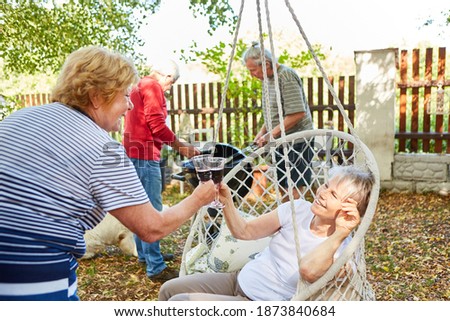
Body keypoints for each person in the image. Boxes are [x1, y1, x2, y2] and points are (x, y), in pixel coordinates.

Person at [0, 46, 215, 301]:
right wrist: (201, 196)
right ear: (96, 97)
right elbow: (151, 227)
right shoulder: (101, 146)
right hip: (32, 276)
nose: (130, 104)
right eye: (125, 95)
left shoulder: (18, 119)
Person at [159, 165, 374, 301]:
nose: (322, 193)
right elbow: (244, 231)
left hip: (258, 302)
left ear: (349, 210)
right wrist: (227, 201)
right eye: (325, 185)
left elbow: (307, 271)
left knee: (180, 305)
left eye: (333, 194)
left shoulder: (342, 251)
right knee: (168, 290)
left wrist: (341, 233)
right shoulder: (297, 208)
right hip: (238, 279)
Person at [123, 59, 200, 281]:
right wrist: (182, 146)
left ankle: (147, 256)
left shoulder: (139, 85)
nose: (169, 88)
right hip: (144, 154)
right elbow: (157, 125)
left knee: (140, 205)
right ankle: (156, 267)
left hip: (133, 152)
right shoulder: (153, 87)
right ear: (167, 77)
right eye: (172, 83)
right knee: (152, 210)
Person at [243, 41, 314, 201]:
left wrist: (270, 135)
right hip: (280, 141)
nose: (251, 74)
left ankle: (296, 223)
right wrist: (262, 133)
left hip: (297, 141)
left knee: (294, 189)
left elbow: (297, 113)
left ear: (266, 64)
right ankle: (288, 221)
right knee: (283, 186)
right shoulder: (267, 80)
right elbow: (273, 114)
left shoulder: (285, 76)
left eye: (253, 70)